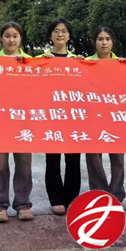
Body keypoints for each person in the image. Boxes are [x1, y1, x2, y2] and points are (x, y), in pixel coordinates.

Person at [0, 22, 34, 223]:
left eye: (15, 36)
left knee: (24, 164)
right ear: (1, 38)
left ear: (20, 38)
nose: (11, 40)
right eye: (7, 36)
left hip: (23, 120)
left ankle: (23, 204)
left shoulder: (30, 61)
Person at [39, 19, 83, 215]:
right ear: (50, 35)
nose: (60, 34)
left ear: (69, 36)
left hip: (72, 117)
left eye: (64, 31)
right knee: (52, 159)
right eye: (56, 31)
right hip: (51, 117)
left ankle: (72, 198)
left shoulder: (77, 60)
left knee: (73, 159)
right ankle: (56, 199)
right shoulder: (41, 60)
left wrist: (84, 65)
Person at [85, 26, 126, 202]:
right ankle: (99, 193)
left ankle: (117, 194)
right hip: (92, 116)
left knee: (117, 157)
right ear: (94, 42)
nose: (104, 43)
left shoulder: (122, 64)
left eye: (108, 39)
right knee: (93, 156)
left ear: (113, 42)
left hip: (115, 116)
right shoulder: (85, 63)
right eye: (100, 39)